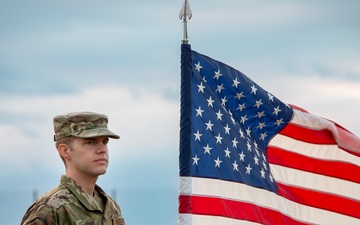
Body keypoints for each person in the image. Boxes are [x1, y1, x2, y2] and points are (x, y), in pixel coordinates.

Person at [21, 112, 126, 225]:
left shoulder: (110, 207)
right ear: (65, 151)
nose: (102, 149)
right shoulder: (49, 210)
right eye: (90, 142)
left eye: (105, 142)